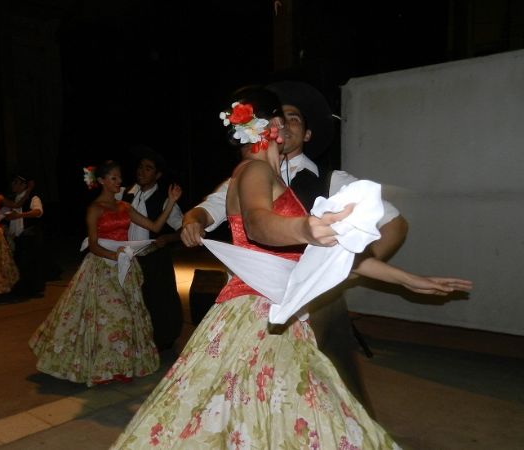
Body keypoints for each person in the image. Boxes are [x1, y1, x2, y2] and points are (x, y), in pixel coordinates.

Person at [111, 88, 471, 449]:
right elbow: (257, 224)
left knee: (273, 410)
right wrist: (306, 228)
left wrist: (407, 279)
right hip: (256, 311)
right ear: (272, 127)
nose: (287, 124)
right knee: (287, 406)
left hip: (282, 310)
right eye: (282, 117)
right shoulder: (251, 170)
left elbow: (330, 256)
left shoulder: (279, 179)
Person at [180, 80, 409, 408]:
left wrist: (346, 272)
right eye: (278, 116)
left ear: (307, 134)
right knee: (254, 400)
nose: (283, 124)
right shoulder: (245, 175)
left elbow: (395, 224)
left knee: (332, 396)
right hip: (253, 303)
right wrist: (194, 220)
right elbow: (210, 209)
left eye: (294, 118)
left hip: (317, 307)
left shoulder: (334, 181)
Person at [29, 160, 182, 386]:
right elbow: (93, 245)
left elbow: (155, 227)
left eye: (119, 178)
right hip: (102, 268)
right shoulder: (94, 209)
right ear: (101, 181)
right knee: (111, 317)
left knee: (128, 318)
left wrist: (170, 203)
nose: (119, 182)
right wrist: (115, 257)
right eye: (113, 178)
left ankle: (118, 367)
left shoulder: (124, 207)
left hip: (125, 267)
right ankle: (104, 367)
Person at [122, 147, 184, 352]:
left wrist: (168, 237)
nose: (142, 171)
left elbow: (183, 229)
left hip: (154, 260)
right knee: (131, 300)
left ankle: (161, 341)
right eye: (140, 167)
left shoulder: (166, 200)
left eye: (148, 168)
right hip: (128, 258)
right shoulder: (126, 195)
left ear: (157, 175)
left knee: (158, 302)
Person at [6, 172, 47, 297]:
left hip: (30, 235)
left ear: (24, 185)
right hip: (18, 237)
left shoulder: (33, 198)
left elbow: (37, 212)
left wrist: (19, 215)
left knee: (31, 263)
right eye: (13, 182)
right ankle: (22, 289)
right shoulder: (13, 200)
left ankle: (33, 290)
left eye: (16, 182)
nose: (13, 185)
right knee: (20, 263)